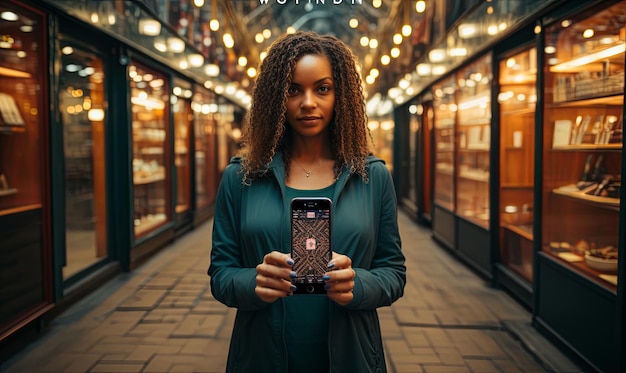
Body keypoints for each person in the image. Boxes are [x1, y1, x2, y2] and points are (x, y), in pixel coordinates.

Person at [208, 30, 406, 373]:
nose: (308, 102)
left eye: (323, 88)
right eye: (293, 89)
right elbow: (220, 274)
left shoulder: (372, 177)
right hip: (261, 356)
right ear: (275, 98)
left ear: (340, 96)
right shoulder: (241, 178)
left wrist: (358, 284)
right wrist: (254, 282)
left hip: (352, 356)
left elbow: (393, 272)